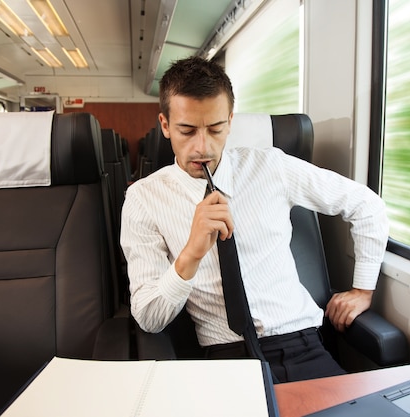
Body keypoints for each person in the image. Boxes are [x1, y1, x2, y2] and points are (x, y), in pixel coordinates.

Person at [120, 56, 389, 383]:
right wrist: (190, 254)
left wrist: (363, 289)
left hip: (303, 344)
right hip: (225, 358)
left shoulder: (272, 166)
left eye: (216, 129)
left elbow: (367, 205)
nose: (202, 146)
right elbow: (149, 318)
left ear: (230, 122)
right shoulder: (143, 198)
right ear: (165, 125)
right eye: (187, 131)